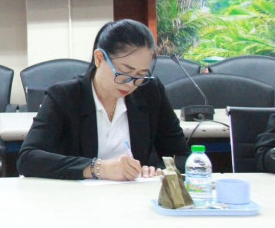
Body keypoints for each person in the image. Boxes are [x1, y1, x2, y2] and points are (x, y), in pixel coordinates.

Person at [17, 19, 190, 180]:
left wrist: (157, 169)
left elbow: (181, 156)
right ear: (99, 58)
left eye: (141, 75)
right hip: (77, 197)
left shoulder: (150, 92)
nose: (131, 84)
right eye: (124, 73)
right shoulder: (65, 96)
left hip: (134, 196)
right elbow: (27, 159)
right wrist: (98, 168)